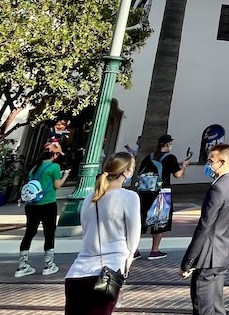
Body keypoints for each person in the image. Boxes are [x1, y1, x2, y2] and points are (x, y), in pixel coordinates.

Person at [63, 152, 141, 315]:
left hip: (77, 272)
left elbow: (86, 230)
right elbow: (133, 237)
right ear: (125, 172)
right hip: (108, 272)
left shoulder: (89, 198)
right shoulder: (129, 197)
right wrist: (129, 258)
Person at [180, 143, 229, 315]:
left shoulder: (217, 188)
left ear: (222, 162)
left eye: (210, 161)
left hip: (208, 257)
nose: (208, 165)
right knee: (216, 306)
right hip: (222, 253)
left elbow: (204, 226)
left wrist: (188, 262)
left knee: (203, 308)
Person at [15, 141, 70, 277]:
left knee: (29, 232)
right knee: (49, 232)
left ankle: (22, 265)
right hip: (48, 203)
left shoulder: (34, 168)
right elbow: (57, 185)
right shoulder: (55, 167)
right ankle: (48, 264)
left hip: (32, 205)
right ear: (55, 154)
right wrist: (65, 175)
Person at [136, 134, 190, 259]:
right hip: (162, 192)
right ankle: (154, 251)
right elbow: (178, 174)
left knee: (141, 221)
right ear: (167, 144)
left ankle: (134, 250)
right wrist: (184, 166)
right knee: (159, 222)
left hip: (145, 193)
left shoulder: (148, 157)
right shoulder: (170, 158)